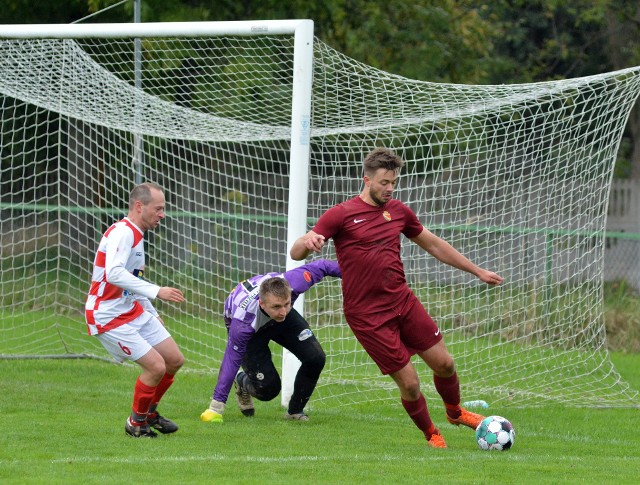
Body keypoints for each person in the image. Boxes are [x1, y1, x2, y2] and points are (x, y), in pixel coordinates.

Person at [290, 147, 504, 448]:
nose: (389, 188)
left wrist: (477, 271)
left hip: (402, 301)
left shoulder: (399, 212)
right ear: (367, 179)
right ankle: (432, 434)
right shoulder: (341, 214)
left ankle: (455, 413)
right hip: (367, 316)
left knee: (444, 364)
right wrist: (306, 241)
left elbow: (434, 245)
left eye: (393, 182)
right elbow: (295, 253)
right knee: (411, 384)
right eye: (384, 183)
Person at [84, 182, 186, 438]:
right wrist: (157, 291)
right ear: (139, 206)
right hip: (107, 314)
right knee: (156, 367)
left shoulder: (137, 235)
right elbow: (114, 273)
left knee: (174, 360)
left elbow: (131, 282)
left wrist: (151, 311)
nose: (162, 214)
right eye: (159, 209)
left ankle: (150, 412)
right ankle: (136, 423)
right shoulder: (123, 232)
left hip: (132, 308)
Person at [200, 259, 341, 423]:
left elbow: (323, 266)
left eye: (287, 304)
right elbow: (231, 359)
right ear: (262, 303)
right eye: (277, 307)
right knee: (269, 390)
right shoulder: (243, 323)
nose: (283, 312)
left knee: (315, 358)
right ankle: (242, 381)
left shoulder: (295, 283)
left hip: (276, 321)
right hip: (253, 331)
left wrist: (361, 274)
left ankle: (295, 412)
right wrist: (215, 408)